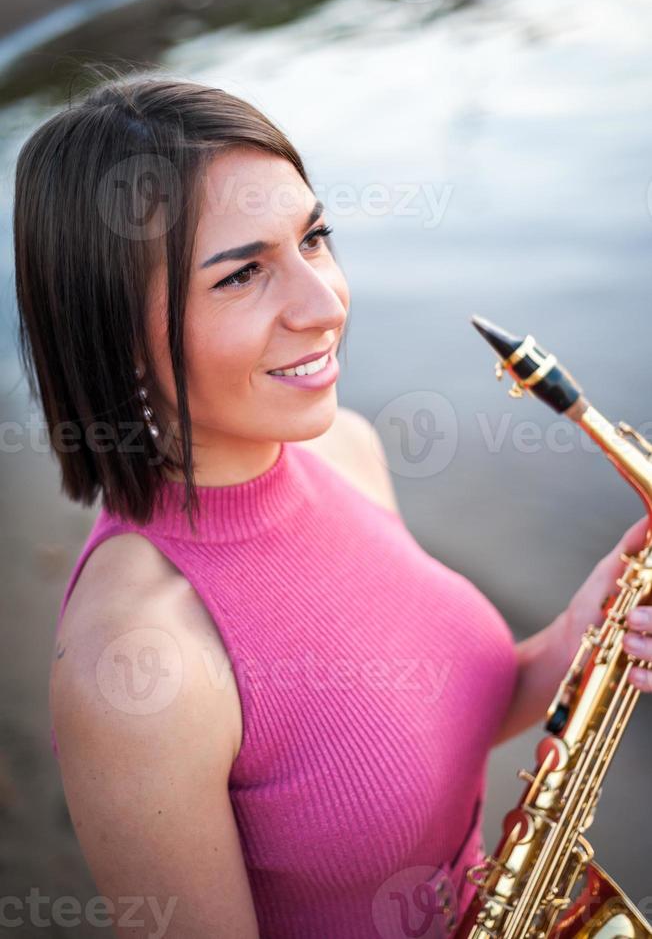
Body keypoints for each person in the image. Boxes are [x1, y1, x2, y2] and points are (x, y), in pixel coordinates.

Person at [13, 72, 652, 939]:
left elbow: (433, 713)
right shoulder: (135, 662)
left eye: (314, 238)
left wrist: (588, 630)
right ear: (113, 332)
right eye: (242, 276)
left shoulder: (341, 447)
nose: (325, 306)